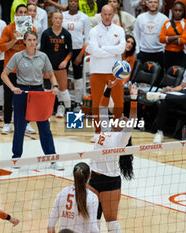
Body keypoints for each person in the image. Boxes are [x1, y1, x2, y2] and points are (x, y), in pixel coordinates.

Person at [1, 31, 63, 172]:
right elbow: (4, 74)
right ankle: (16, 157)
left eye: (34, 39)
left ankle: (52, 158)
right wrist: (13, 88)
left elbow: (51, 74)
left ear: (37, 42)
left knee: (45, 128)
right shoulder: (18, 56)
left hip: (38, 93)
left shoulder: (43, 56)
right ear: (24, 41)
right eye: (29, 39)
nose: (32, 42)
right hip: (22, 93)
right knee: (19, 127)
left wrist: (54, 86)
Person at [88, 80, 137, 233]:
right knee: (92, 221)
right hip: (93, 178)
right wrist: (108, 89)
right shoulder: (106, 127)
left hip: (110, 181)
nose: (120, 119)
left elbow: (133, 118)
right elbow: (102, 107)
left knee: (111, 223)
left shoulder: (121, 139)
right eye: (120, 118)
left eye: (124, 120)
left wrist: (134, 98)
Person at [86, 4, 126, 142]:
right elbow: (94, 51)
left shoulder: (119, 30)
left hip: (115, 72)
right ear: (101, 15)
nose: (107, 17)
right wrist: (112, 50)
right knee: (97, 103)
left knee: (119, 102)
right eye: (105, 14)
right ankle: (98, 133)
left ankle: (115, 132)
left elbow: (121, 48)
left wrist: (104, 48)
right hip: (97, 71)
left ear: (113, 14)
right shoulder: (94, 31)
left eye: (110, 14)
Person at [0, 4, 36, 134]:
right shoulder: (8, 29)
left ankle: (26, 123)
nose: (23, 15)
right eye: (20, 12)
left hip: (26, 69)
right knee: (9, 98)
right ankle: (7, 123)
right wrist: (15, 40)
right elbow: (3, 48)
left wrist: (19, 45)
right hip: (11, 69)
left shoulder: (32, 29)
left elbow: (32, 48)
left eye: (25, 12)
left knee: (26, 98)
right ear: (16, 14)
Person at [47, 162, 99, 233]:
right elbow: (93, 229)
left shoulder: (62, 193)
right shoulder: (92, 198)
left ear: (74, 175)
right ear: (89, 176)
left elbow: (50, 226)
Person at [41, 11, 72, 118]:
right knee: (48, 90)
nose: (58, 20)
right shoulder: (46, 33)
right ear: (52, 19)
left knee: (63, 90)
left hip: (60, 66)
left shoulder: (67, 34)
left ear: (62, 20)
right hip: (48, 66)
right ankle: (47, 112)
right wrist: (44, 65)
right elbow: (42, 51)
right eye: (56, 18)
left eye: (60, 18)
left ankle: (67, 110)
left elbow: (71, 51)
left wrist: (65, 61)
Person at [62, 0, 90, 111]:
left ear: (78, 3)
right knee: (63, 78)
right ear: (68, 2)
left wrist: (81, 54)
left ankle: (78, 103)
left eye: (75, 1)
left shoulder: (84, 17)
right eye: (71, 1)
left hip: (78, 49)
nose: (73, 3)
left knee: (78, 78)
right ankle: (63, 104)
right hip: (63, 49)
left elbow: (87, 38)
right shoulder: (62, 15)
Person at [134, 0, 168, 67]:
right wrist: (137, 50)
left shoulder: (164, 19)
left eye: (155, 2)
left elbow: (167, 36)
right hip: (143, 52)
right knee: (143, 76)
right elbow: (136, 35)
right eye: (150, 2)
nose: (153, 4)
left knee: (158, 76)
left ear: (159, 4)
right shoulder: (140, 17)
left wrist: (164, 50)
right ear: (147, 4)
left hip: (159, 52)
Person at [159, 1, 186, 70]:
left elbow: (183, 40)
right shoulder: (167, 23)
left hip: (180, 54)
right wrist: (176, 37)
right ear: (172, 11)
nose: (178, 12)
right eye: (175, 10)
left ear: (183, 11)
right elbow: (161, 39)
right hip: (168, 54)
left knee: (180, 75)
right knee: (168, 75)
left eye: (180, 10)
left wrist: (168, 39)